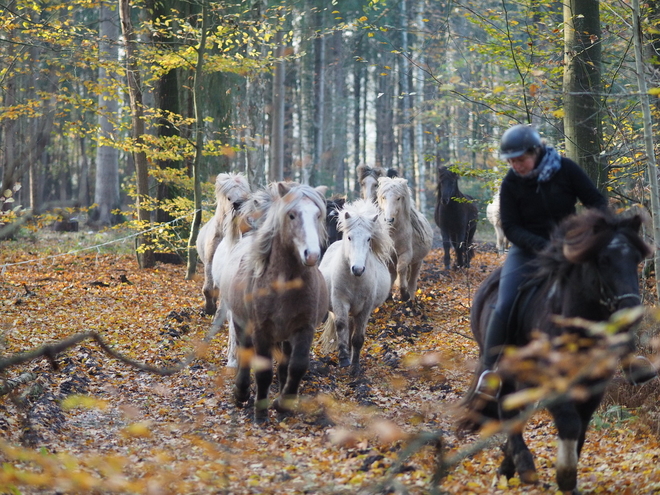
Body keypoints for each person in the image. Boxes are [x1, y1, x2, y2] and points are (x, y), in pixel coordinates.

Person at [476, 123, 608, 398]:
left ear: (536, 152)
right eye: (511, 161)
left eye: (521, 159)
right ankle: (489, 370)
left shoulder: (567, 169)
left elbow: (595, 200)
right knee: (505, 302)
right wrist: (541, 245)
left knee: (612, 283)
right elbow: (510, 226)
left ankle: (630, 359)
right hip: (528, 249)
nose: (516, 165)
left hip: (571, 246)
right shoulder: (511, 182)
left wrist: (602, 228)